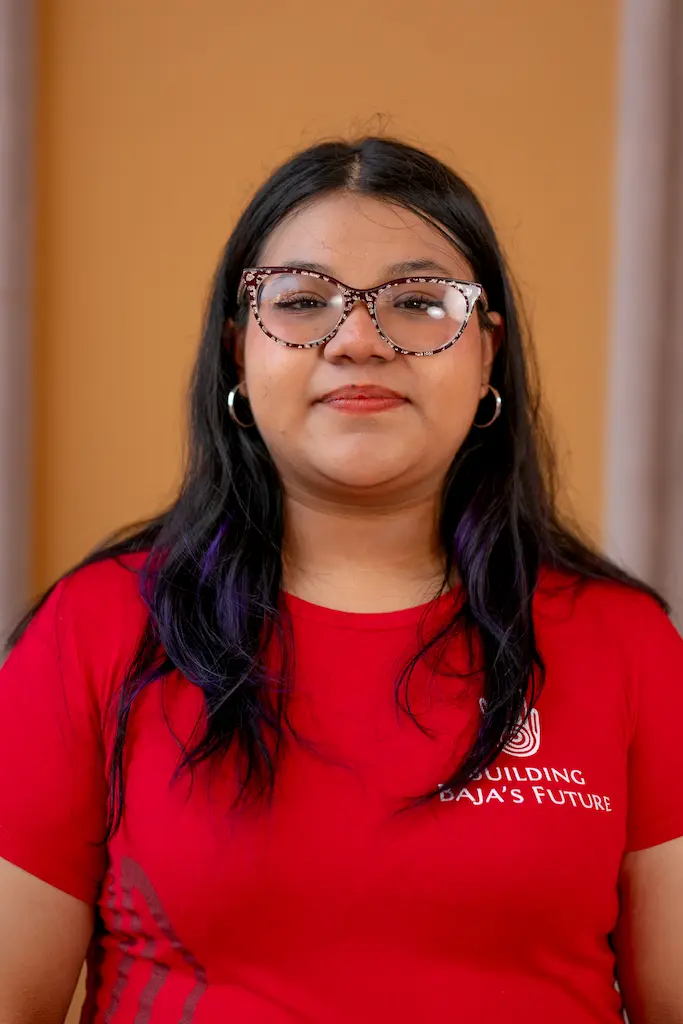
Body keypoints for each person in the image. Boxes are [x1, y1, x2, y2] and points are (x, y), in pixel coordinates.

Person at [0, 137, 681, 1024]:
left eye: (417, 302)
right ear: (239, 352)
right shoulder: (96, 629)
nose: (358, 341)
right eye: (301, 301)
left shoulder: (625, 643)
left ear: (486, 355)